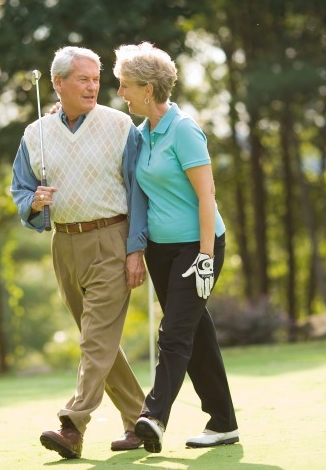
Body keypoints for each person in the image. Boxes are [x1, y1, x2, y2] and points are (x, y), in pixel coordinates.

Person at [10, 46, 148, 459]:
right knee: (99, 341)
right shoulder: (36, 133)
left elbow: (139, 191)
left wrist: (136, 248)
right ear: (58, 83)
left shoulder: (121, 125)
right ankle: (142, 418)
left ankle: (72, 424)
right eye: (83, 79)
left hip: (112, 238)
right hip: (64, 245)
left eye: (96, 78)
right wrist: (33, 202)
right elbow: (19, 188)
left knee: (94, 341)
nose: (93, 86)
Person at [112, 42, 239, 453]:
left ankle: (153, 416)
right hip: (161, 252)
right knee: (196, 334)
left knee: (174, 334)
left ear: (148, 89)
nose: (120, 93)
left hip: (197, 247)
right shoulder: (142, 133)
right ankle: (223, 422)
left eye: (125, 85)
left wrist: (205, 256)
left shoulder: (183, 130)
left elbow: (207, 197)